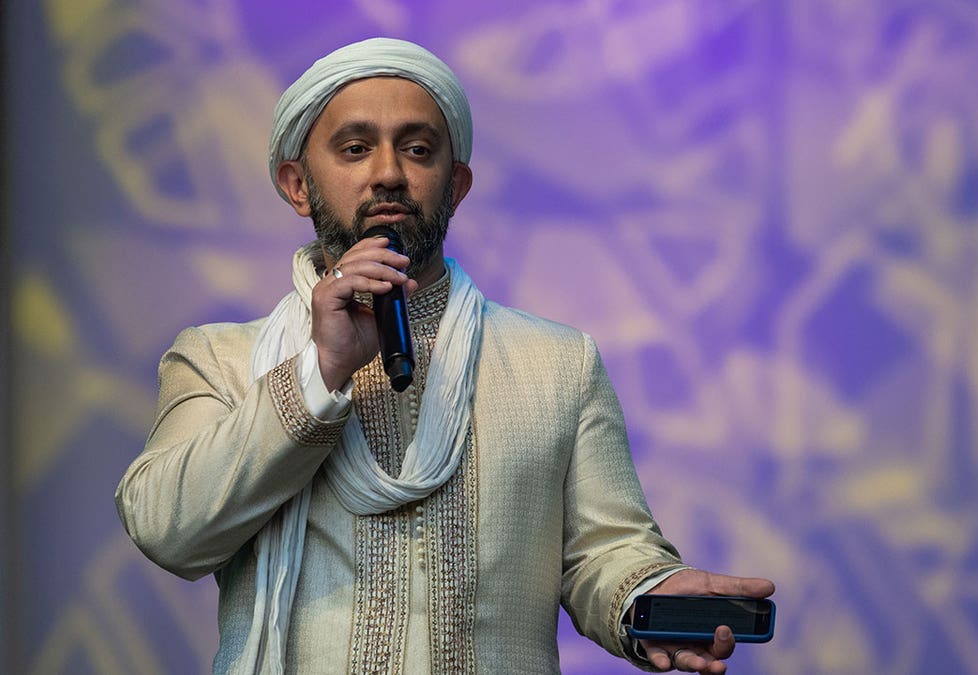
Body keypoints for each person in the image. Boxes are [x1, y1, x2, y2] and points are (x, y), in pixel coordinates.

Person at [115, 37, 774, 674]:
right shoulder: (219, 359)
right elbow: (168, 531)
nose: (389, 174)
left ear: (455, 185)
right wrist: (319, 371)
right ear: (297, 184)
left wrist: (647, 598)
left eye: (418, 149)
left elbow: (605, 553)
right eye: (354, 148)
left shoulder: (557, 362)